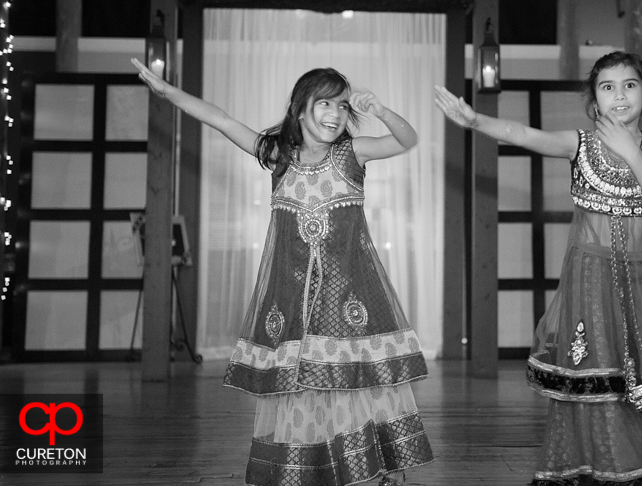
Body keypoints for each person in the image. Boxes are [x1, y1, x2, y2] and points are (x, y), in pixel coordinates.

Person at [132, 59, 433, 486]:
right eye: (324, 103)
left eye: (343, 107)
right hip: (291, 298)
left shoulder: (352, 154)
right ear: (300, 108)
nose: (334, 114)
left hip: (348, 297)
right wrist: (168, 92)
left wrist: (381, 111)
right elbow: (219, 119)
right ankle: (310, 467)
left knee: (354, 385)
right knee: (301, 387)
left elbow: (407, 139)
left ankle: (368, 469)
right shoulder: (278, 156)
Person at [435, 51, 642, 486]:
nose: (619, 96)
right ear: (594, 101)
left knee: (634, 371)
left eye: (629, 85)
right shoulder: (579, 144)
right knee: (593, 367)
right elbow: (521, 133)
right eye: (607, 87)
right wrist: (473, 121)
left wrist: (631, 152)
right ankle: (592, 463)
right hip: (590, 278)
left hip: (639, 281)